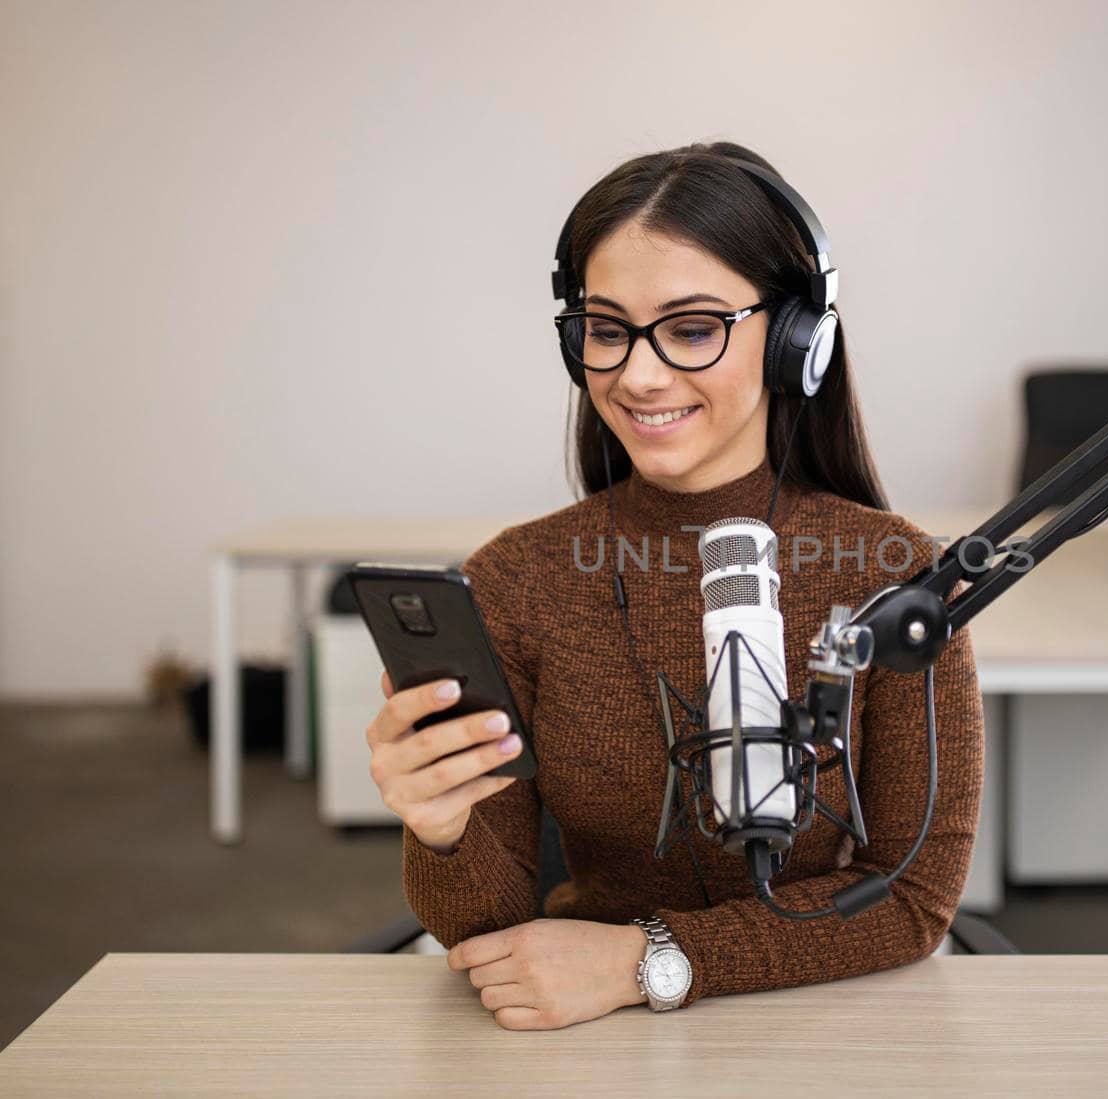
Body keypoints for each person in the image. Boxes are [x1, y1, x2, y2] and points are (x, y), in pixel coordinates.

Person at [364, 141, 984, 1031]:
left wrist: (650, 958)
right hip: (588, 1041)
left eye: (692, 329)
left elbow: (915, 899)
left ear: (797, 340)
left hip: (824, 1026)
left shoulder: (892, 580)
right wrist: (440, 829)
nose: (637, 375)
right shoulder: (517, 579)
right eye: (608, 330)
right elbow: (491, 934)